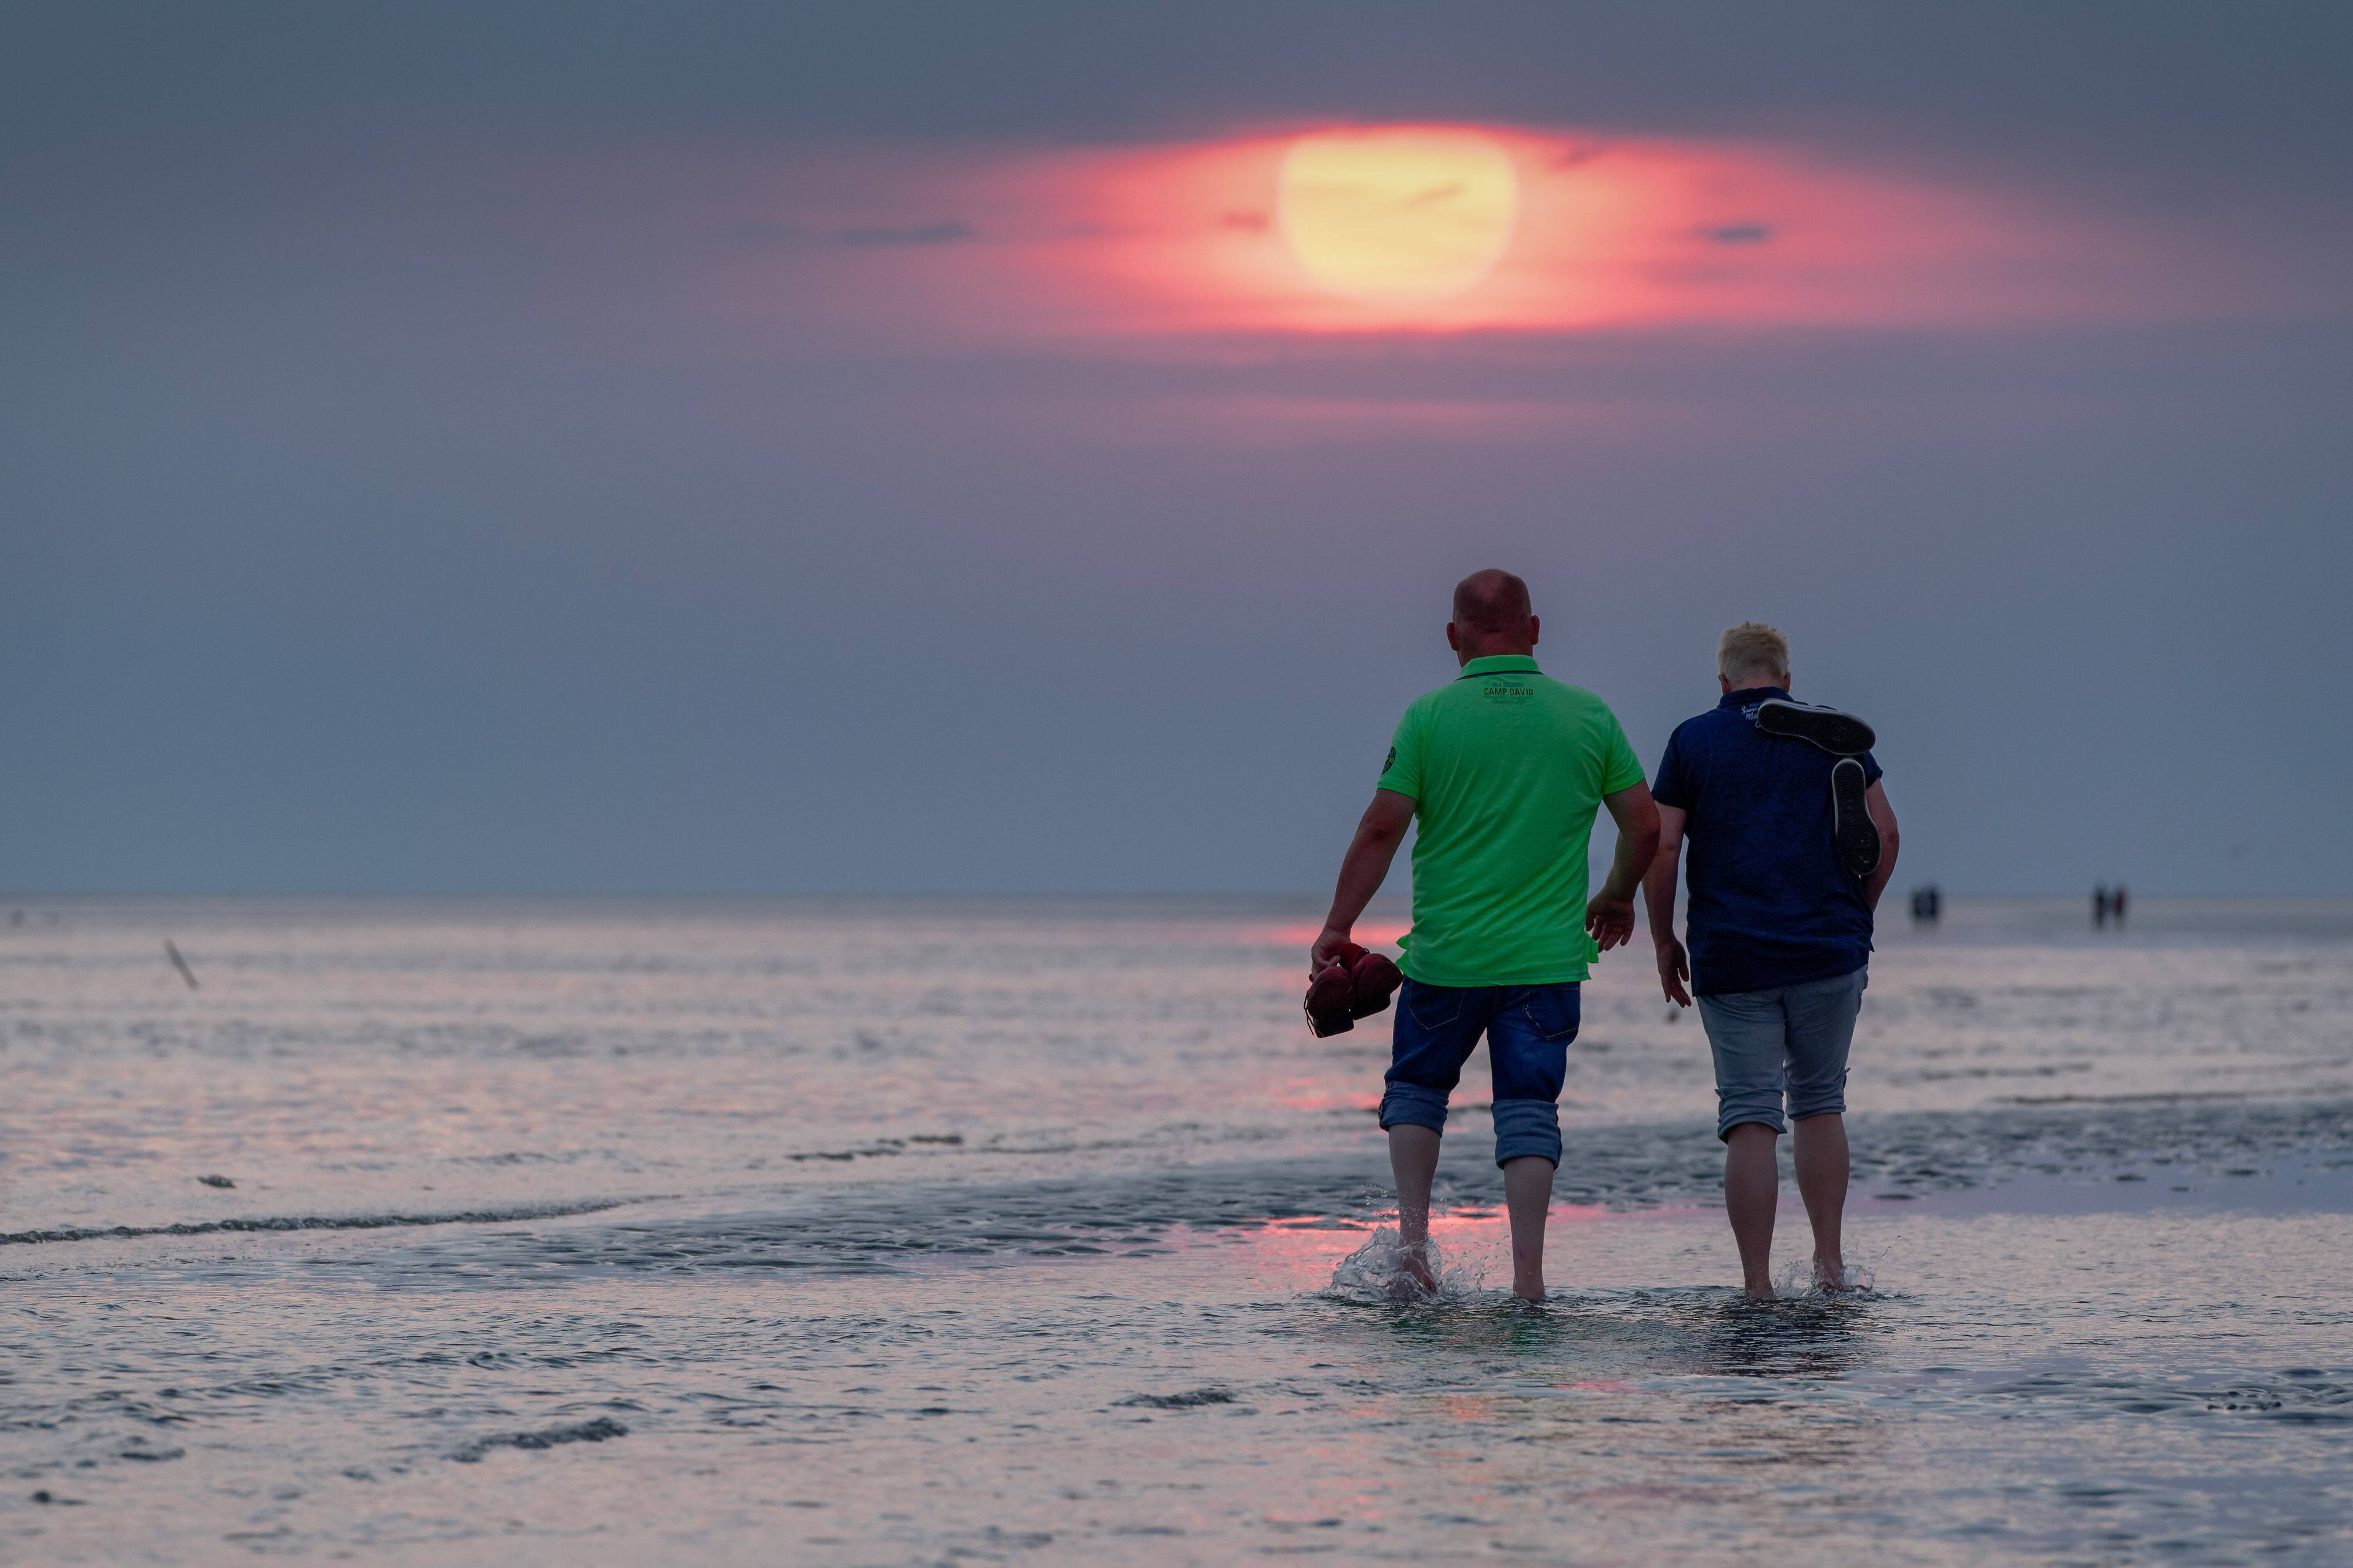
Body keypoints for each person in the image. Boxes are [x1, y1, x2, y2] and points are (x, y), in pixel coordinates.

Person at [1314, 570, 1659, 1302]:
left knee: (1416, 1089)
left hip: (1447, 955)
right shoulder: (1587, 715)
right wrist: (1619, 895)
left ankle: (1412, 1251)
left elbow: (1381, 827)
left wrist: (1338, 925)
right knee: (1528, 1106)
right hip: (1544, 959)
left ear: (1452, 637)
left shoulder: (1429, 716)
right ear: (1534, 629)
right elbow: (1646, 823)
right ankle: (1528, 1281)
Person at [1640, 623, 1898, 1299]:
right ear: (1785, 680)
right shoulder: (1831, 733)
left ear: (1722, 683)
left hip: (1732, 952)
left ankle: (1756, 1284)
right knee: (1820, 1100)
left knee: (1750, 1113)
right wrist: (1858, 915)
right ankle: (1830, 1268)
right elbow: (1888, 834)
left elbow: (1662, 847)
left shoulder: (1692, 738)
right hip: (1827, 945)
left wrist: (1663, 937)